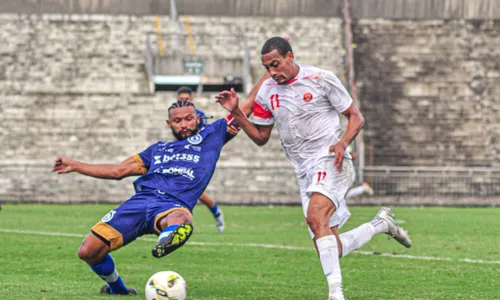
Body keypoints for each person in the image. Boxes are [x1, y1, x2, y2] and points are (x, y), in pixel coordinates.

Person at [216, 36, 412, 300]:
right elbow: (261, 138)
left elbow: (356, 116)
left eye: (276, 64)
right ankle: (380, 225)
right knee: (330, 245)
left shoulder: (321, 79)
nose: (272, 73)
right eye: (267, 68)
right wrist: (238, 112)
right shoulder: (267, 92)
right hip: (304, 171)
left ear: (290, 56)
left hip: (332, 159)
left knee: (315, 216)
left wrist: (343, 143)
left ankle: (336, 295)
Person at [50, 75, 265, 295]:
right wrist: (75, 165)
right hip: (140, 201)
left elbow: (248, 103)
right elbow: (118, 171)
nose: (184, 124)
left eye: (189, 119)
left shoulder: (212, 135)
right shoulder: (157, 149)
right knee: (88, 251)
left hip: (173, 204)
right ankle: (118, 289)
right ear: (169, 124)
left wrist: (267, 71)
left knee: (181, 218)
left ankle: (169, 237)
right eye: (178, 121)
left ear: (198, 118)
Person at [176, 86, 224, 232]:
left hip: (197, 158)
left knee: (194, 191)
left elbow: (206, 138)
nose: (184, 102)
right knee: (186, 190)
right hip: (181, 157)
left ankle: (214, 212)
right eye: (181, 100)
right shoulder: (175, 116)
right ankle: (214, 212)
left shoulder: (199, 116)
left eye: (186, 99)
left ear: (192, 100)